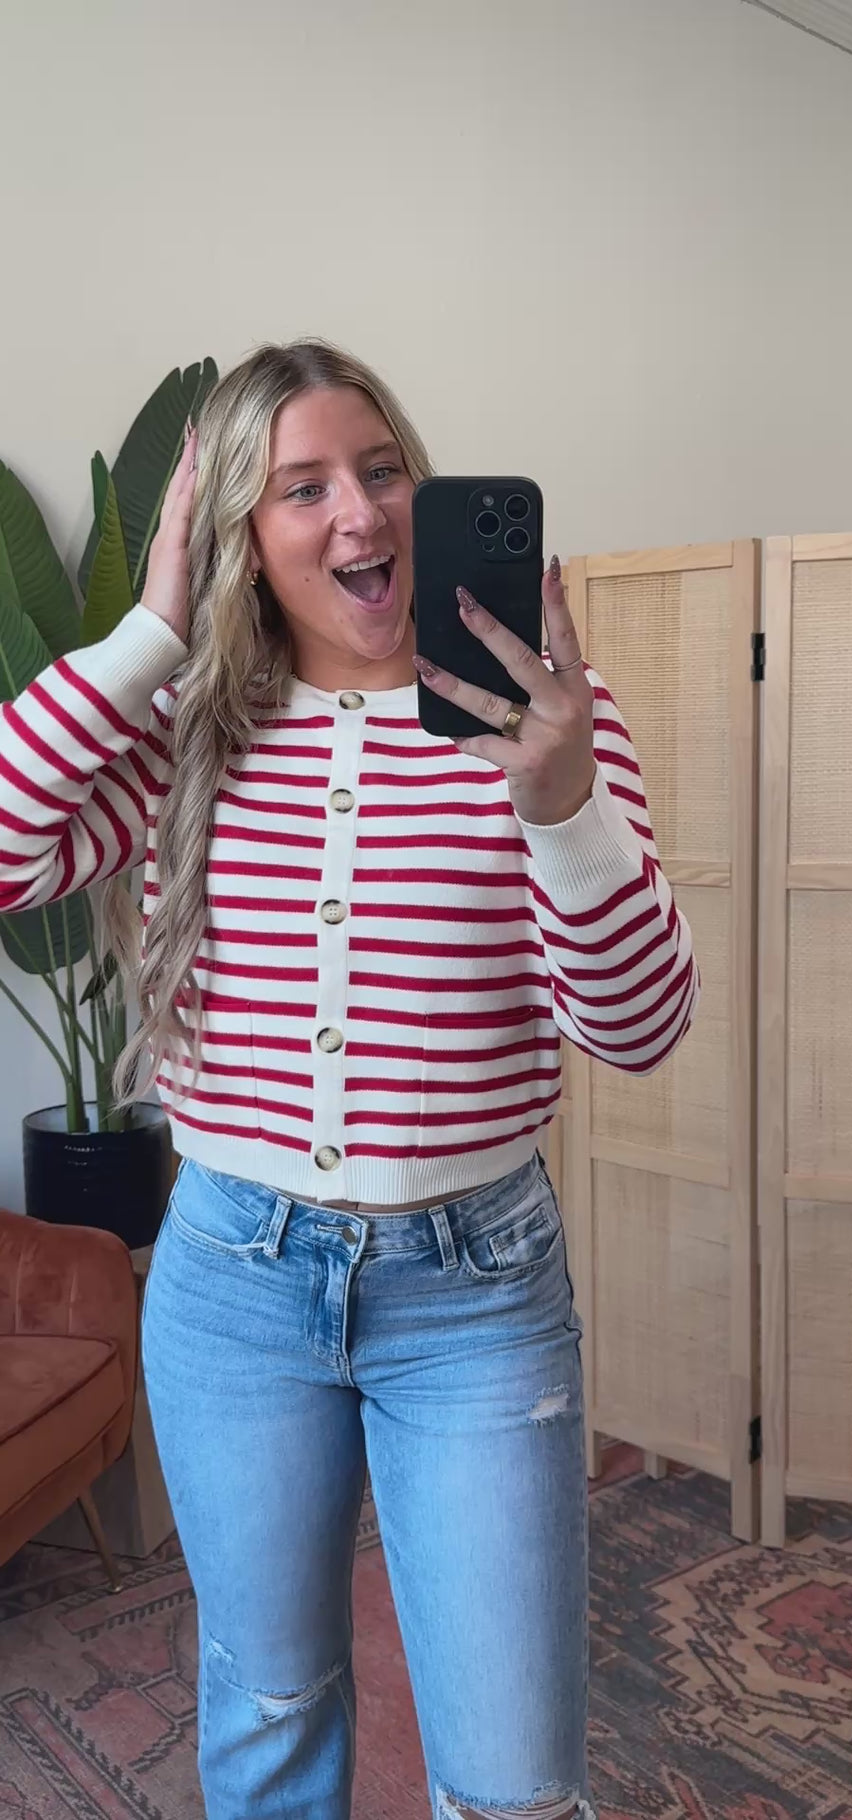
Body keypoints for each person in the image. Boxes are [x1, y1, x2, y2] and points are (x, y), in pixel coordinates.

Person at [0, 340, 698, 1820]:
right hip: (231, 1288)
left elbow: (642, 1027)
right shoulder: (180, 738)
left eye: (381, 472)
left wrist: (561, 806)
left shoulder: (554, 728)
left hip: (476, 1300)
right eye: (302, 487)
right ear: (240, 536)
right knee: (269, 1713)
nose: (361, 514)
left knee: (515, 1786)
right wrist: (147, 635)